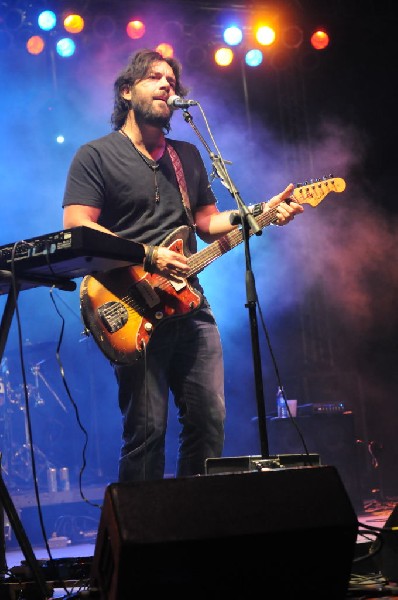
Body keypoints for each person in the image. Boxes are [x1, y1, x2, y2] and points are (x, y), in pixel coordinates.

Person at [62, 48, 304, 483]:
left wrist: (260, 211)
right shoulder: (95, 156)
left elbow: (210, 222)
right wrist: (149, 254)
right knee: (146, 432)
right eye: (154, 78)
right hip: (130, 305)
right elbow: (78, 226)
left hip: (190, 306)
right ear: (126, 90)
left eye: (171, 81)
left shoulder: (186, 155)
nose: (165, 86)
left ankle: (194, 527)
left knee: (209, 421)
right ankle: (143, 539)